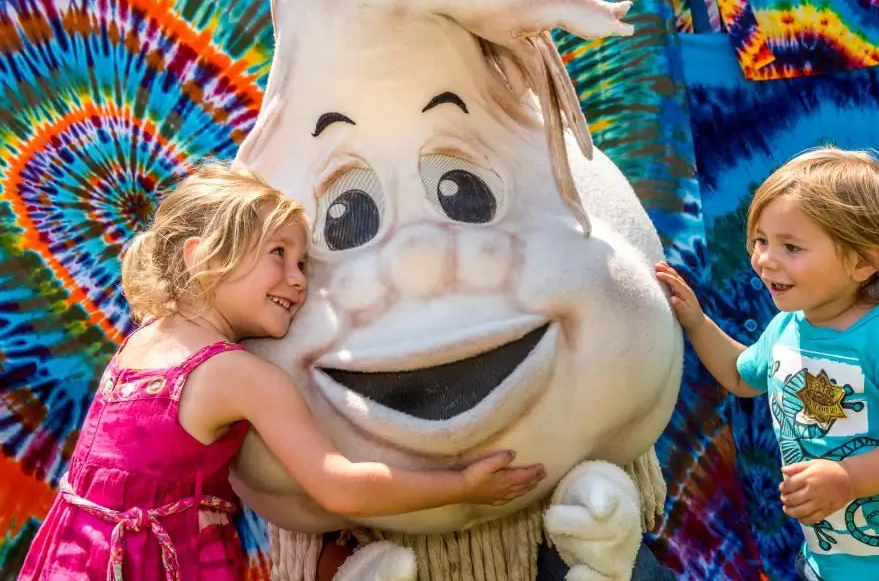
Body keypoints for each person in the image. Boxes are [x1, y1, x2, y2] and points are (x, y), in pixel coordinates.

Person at [19, 161, 546, 581]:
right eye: (279, 254)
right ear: (205, 258)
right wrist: (461, 486)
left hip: (73, 560)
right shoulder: (236, 375)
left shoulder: (140, 344)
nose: (298, 281)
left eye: (303, 265)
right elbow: (341, 488)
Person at [656, 147, 879, 581]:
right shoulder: (785, 329)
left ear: (863, 261)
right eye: (761, 240)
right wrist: (697, 324)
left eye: (791, 247)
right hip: (829, 564)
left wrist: (848, 478)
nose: (766, 259)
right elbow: (740, 375)